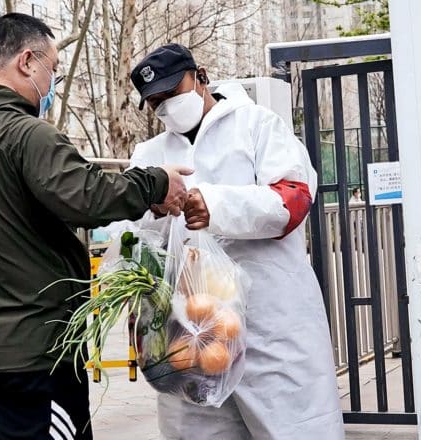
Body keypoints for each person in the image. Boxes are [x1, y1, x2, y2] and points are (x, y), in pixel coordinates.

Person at [0, 14, 191, 440]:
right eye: (53, 69)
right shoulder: (26, 135)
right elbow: (87, 197)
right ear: (27, 61)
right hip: (31, 362)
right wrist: (157, 181)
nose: (52, 81)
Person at [128, 43, 345, 439]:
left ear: (201, 76)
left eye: (171, 93)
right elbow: (135, 237)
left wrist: (216, 206)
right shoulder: (149, 154)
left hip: (269, 321)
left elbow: (293, 198)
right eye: (155, 102)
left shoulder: (258, 125)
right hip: (189, 334)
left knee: (294, 427)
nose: (166, 107)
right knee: (198, 429)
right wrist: (154, 210)